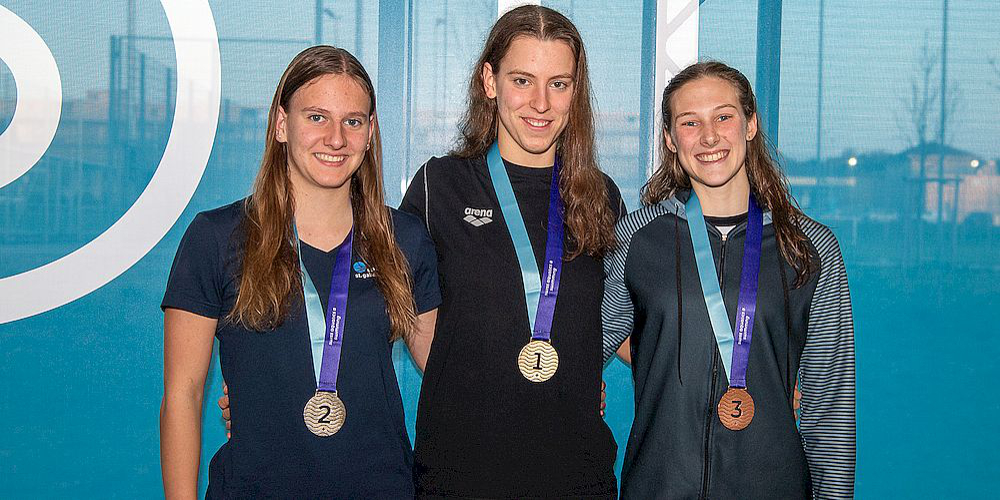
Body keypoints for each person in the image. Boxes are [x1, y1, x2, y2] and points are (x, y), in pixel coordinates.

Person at [159, 46, 439, 499]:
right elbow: (182, 395)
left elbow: (450, 370)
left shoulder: (402, 239)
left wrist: (564, 388)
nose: (335, 138)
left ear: (370, 134)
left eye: (353, 121)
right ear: (281, 124)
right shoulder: (216, 237)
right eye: (316, 118)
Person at [602, 61, 855, 499]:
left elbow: (829, 406)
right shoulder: (638, 237)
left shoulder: (810, 246)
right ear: (669, 138)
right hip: (659, 487)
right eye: (690, 122)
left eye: (723, 116)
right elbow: (588, 339)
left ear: (751, 123)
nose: (709, 136)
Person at [399, 5, 623, 499]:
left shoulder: (601, 195)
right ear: (490, 80)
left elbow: (634, 320)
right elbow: (376, 299)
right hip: (460, 473)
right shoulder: (441, 185)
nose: (541, 103)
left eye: (559, 84)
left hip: (576, 476)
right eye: (523, 80)